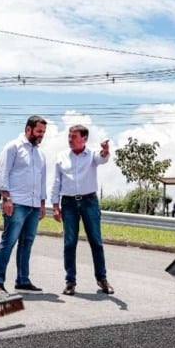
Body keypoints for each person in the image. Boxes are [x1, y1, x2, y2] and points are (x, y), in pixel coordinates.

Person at [51, 125, 113, 296]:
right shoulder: (62, 156)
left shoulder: (92, 155)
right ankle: (70, 281)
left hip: (89, 201)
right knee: (69, 243)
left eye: (74, 136)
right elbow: (56, 182)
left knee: (96, 241)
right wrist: (55, 206)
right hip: (68, 203)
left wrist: (105, 151)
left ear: (84, 138)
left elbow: (102, 158)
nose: (70, 139)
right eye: (69, 136)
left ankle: (102, 278)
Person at [0, 115, 47, 293]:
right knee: (9, 241)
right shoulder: (13, 147)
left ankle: (23, 280)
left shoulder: (40, 154)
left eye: (43, 132)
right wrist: (6, 198)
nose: (41, 135)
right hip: (16, 203)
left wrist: (42, 204)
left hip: (34, 205)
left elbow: (42, 180)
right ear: (28, 129)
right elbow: (2, 173)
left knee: (27, 243)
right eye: (39, 131)